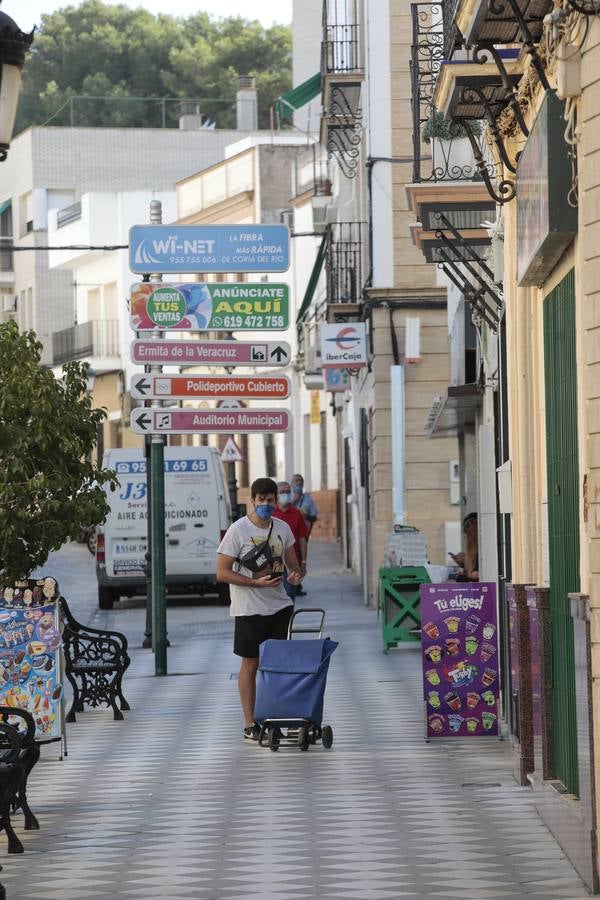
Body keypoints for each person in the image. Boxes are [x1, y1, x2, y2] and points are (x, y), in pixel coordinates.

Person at [216, 477, 302, 741]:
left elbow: (293, 565)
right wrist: (254, 583)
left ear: (276, 500)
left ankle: (283, 718)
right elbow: (221, 572)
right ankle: (250, 723)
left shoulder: (283, 528)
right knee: (251, 664)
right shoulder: (238, 530)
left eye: (270, 499)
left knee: (281, 665)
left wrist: (296, 575)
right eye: (261, 500)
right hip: (248, 608)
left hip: (280, 606)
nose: (266, 504)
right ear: (252, 500)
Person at [272, 481, 308, 600]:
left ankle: (288, 618)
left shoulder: (297, 514)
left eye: (288, 492)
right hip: (273, 562)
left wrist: (303, 562)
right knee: (274, 597)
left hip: (292, 562)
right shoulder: (270, 513)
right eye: (282, 492)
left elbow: (302, 539)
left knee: (289, 596)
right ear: (276, 494)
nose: (285, 494)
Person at [290, 474, 318, 596]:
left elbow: (314, 516)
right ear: (291, 483)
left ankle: (298, 584)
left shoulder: (308, 499)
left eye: (300, 481)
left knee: (300, 557)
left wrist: (306, 516)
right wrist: (294, 501)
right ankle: (292, 583)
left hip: (302, 534)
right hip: (289, 534)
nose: (298, 483)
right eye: (295, 481)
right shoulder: (288, 498)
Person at [450, 512, 479, 582]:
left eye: (468, 534)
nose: (467, 538)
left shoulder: (483, 550)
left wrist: (470, 574)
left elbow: (488, 573)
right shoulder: (474, 550)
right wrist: (464, 562)